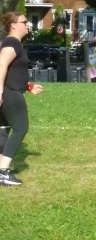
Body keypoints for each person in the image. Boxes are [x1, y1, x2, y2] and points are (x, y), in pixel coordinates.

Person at [0, 12, 44, 186]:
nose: (28, 24)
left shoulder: (12, 43)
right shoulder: (12, 43)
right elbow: (2, 64)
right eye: (24, 22)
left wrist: (28, 86)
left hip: (9, 90)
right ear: (13, 25)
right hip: (10, 93)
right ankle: (3, 172)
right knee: (20, 128)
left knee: (2, 129)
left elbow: (12, 71)